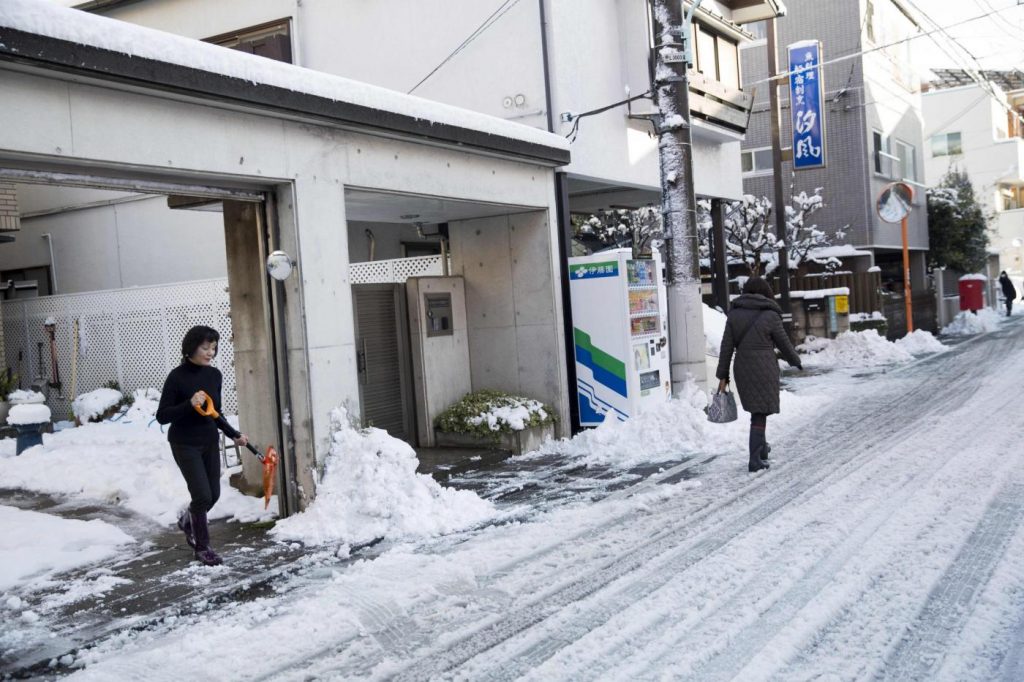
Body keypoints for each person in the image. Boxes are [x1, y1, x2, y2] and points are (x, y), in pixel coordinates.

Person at [156, 325, 248, 566]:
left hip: (208, 441)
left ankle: (188, 522)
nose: (210, 353)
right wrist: (189, 403)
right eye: (205, 347)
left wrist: (233, 434)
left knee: (213, 495)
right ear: (191, 347)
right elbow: (163, 415)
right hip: (184, 443)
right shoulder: (177, 377)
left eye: (214, 348)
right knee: (202, 495)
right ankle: (202, 547)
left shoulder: (214, 375)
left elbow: (214, 412)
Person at [716, 277, 803, 472]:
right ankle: (755, 459)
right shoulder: (770, 315)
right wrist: (795, 361)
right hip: (764, 366)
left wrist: (722, 373)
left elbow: (726, 347)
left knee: (757, 410)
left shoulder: (734, 314)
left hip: (742, 367)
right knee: (760, 413)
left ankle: (762, 449)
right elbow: (784, 344)